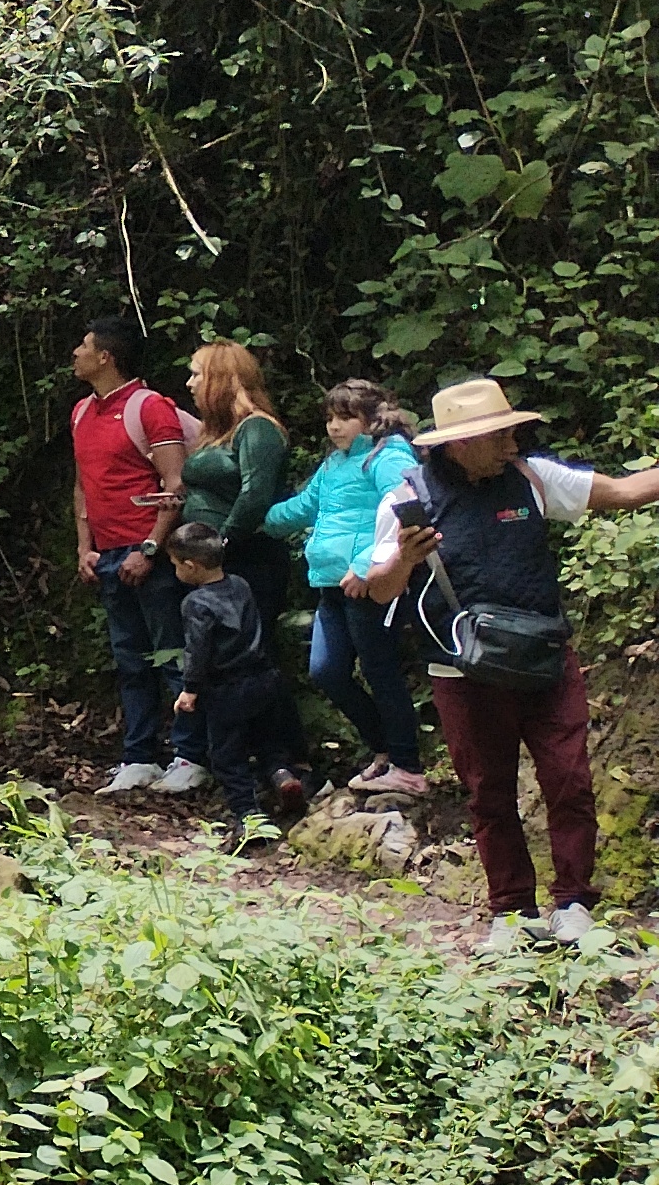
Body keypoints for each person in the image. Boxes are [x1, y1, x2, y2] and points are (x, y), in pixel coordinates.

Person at [355, 375, 659, 944]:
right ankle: (511, 914)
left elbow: (623, 492)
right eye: (501, 435)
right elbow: (378, 588)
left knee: (570, 781)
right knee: (489, 792)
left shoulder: (531, 478)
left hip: (546, 658)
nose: (513, 443)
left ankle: (573, 904)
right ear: (463, 442)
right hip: (462, 670)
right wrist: (404, 557)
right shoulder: (405, 498)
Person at [265, 381, 429, 797]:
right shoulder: (335, 463)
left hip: (370, 585)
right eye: (330, 418)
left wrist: (365, 567)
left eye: (345, 418)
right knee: (327, 671)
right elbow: (304, 507)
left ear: (370, 421)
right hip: (331, 586)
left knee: (380, 671)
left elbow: (405, 509)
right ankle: (384, 750)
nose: (334, 427)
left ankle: (407, 764)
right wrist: (250, 519)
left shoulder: (387, 456)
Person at [68, 314, 196, 796]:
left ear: (106, 356)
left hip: (152, 553)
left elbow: (175, 484)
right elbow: (83, 484)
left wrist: (150, 547)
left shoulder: (150, 407)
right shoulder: (81, 412)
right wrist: (85, 547)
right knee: (130, 658)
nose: (75, 354)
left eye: (83, 345)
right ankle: (139, 755)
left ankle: (190, 753)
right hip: (106, 553)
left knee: (172, 653)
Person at [166, 526, 302, 838]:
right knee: (268, 740)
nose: (175, 570)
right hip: (264, 678)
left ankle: (249, 818)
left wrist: (190, 689)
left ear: (190, 566)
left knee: (227, 756)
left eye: (175, 564)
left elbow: (197, 649)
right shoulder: (241, 585)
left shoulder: (195, 603)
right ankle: (282, 775)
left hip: (227, 689)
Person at [174, 344, 293, 578]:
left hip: (246, 560)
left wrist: (221, 545)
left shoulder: (258, 427)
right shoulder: (217, 433)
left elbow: (255, 496)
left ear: (220, 380)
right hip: (209, 563)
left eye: (196, 374)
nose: (189, 383)